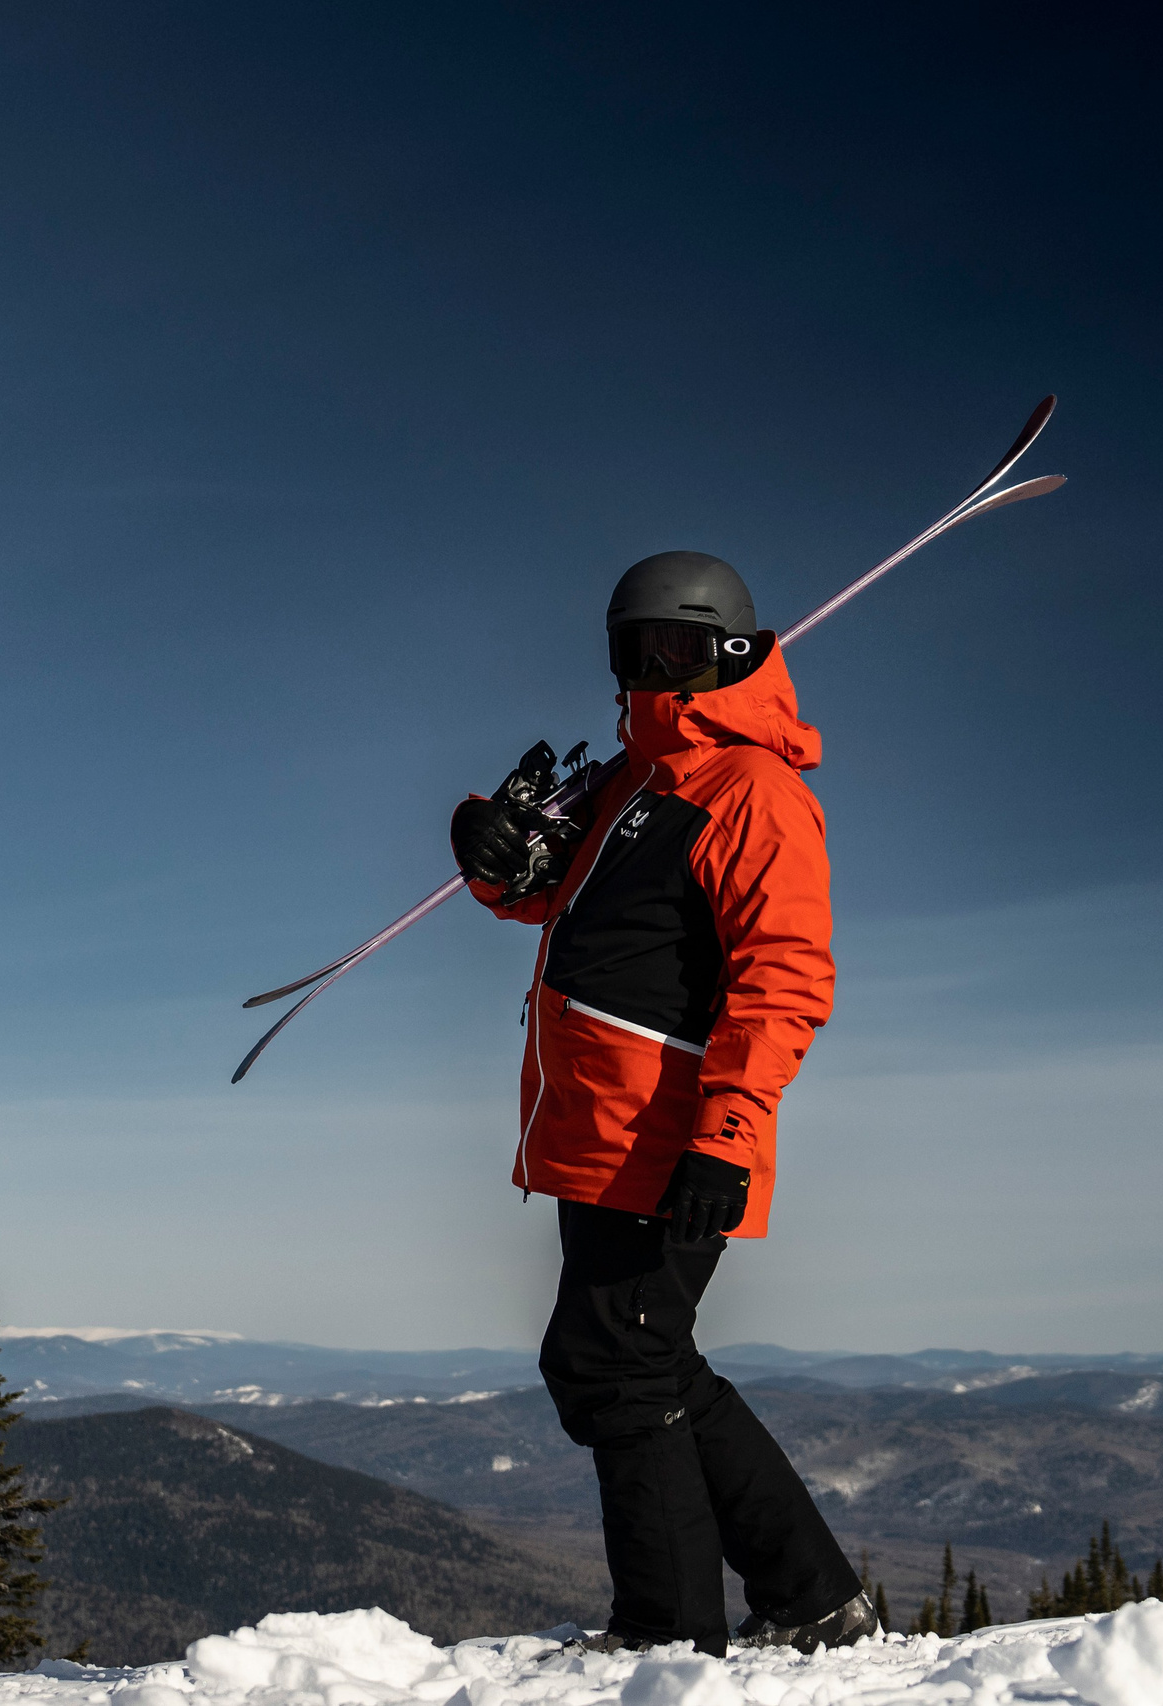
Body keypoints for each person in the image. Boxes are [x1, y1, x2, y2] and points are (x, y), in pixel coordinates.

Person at [450, 551, 876, 1656]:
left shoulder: (753, 794)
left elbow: (785, 976)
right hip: (597, 1128)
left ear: (729, 651)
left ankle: (669, 1638)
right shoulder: (635, 789)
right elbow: (556, 903)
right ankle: (813, 1594)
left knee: (614, 1361)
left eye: (676, 651)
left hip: (670, 1132)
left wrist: (726, 1133)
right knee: (645, 1355)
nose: (652, 673)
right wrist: (492, 859)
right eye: (633, 651)